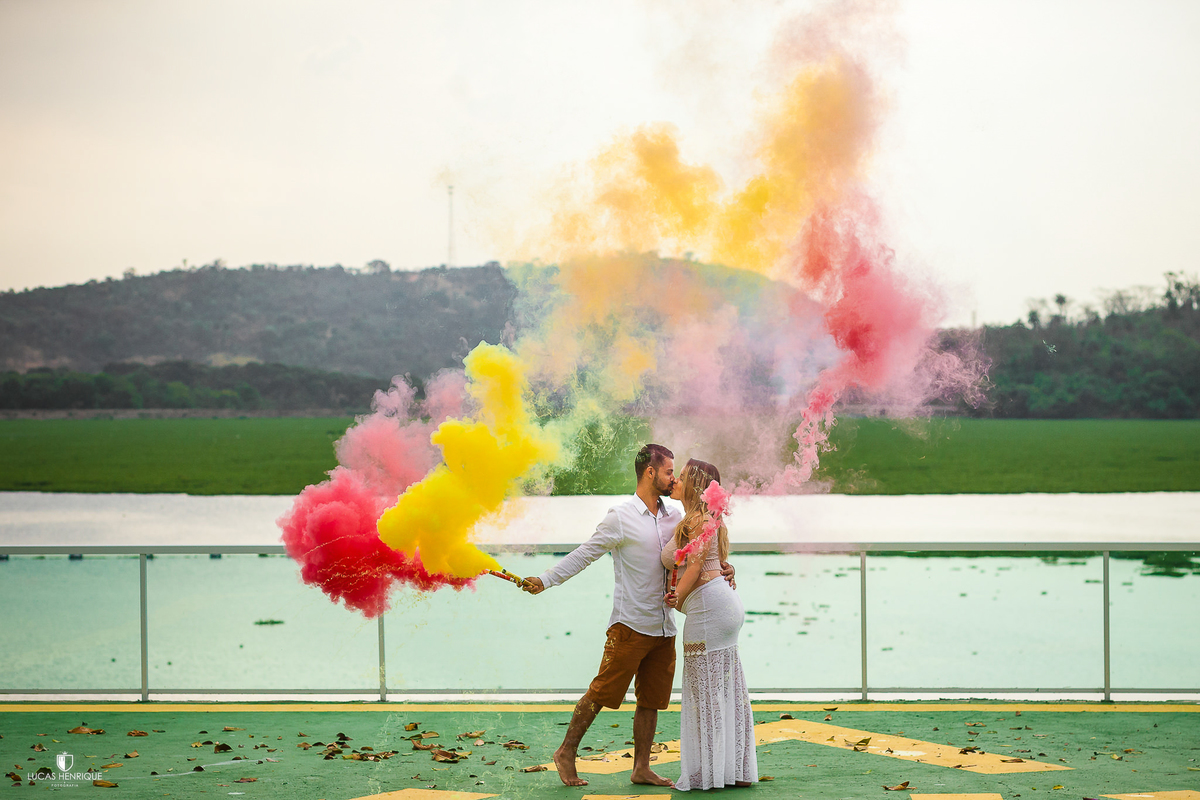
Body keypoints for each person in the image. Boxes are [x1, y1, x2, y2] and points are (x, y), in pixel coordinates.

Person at [521, 443, 734, 788]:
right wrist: (545, 580)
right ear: (650, 472)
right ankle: (566, 751)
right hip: (630, 624)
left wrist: (724, 567)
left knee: (652, 700)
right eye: (669, 472)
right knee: (601, 692)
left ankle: (641, 768)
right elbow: (584, 554)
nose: (673, 479)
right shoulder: (620, 517)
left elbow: (699, 555)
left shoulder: (676, 517)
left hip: (665, 627)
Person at [661, 458, 757, 791]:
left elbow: (695, 567)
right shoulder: (703, 519)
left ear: (694, 484)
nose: (675, 481)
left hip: (709, 610)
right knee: (723, 690)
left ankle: (709, 774)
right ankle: (732, 770)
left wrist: (675, 596)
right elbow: (714, 563)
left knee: (705, 691)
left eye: (681, 476)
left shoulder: (698, 520)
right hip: (719, 606)